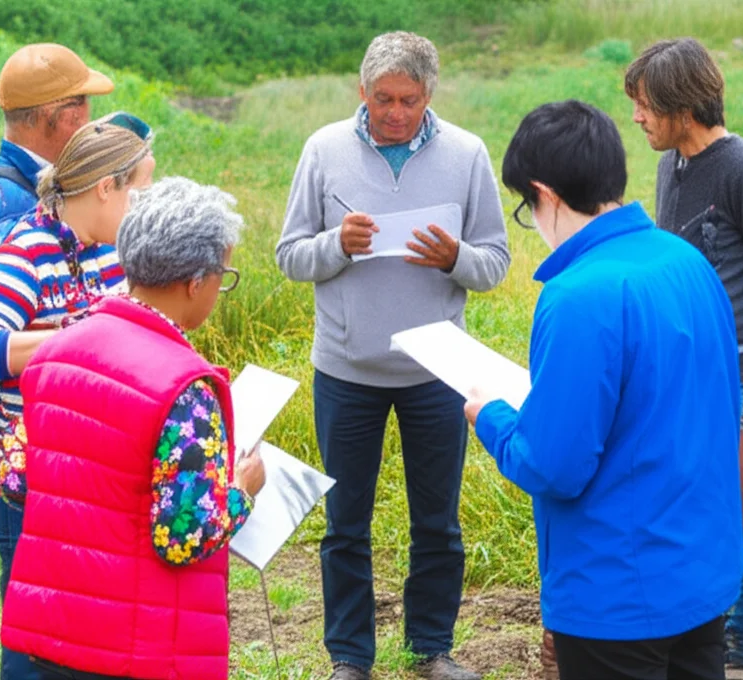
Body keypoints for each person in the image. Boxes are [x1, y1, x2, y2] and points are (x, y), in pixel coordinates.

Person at [465, 99, 743, 680]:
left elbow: (555, 465)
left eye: (526, 207)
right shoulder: (685, 260)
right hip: (702, 570)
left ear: (545, 194)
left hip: (618, 591)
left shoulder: (579, 295)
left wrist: (490, 417)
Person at [276, 31, 509, 680]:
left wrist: (454, 258)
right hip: (346, 369)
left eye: (408, 99)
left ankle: (431, 647)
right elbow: (290, 254)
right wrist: (335, 245)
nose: (395, 112)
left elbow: (494, 262)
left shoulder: (466, 155)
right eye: (383, 99)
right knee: (345, 523)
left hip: (438, 371)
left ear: (429, 95)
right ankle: (350, 657)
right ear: (362, 91)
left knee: (437, 520)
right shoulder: (324, 150)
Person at [0, 176, 266, 680]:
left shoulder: (52, 353)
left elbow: (16, 475)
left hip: (54, 633)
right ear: (196, 281)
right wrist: (241, 490)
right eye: (222, 276)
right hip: (139, 646)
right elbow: (184, 536)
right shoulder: (185, 387)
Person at [0, 113, 154, 680]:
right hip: (25, 486)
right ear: (106, 188)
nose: (146, 203)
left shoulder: (105, 250)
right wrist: (65, 342)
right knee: (32, 651)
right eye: (141, 190)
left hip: (79, 480)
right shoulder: (28, 248)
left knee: (77, 641)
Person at [624, 38, 743, 678]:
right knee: (701, 514)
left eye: (646, 106)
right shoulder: (671, 164)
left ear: (682, 103)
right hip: (688, 379)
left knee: (733, 518)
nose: (639, 118)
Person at [0, 42, 114, 307]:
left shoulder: (8, 193)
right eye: (82, 103)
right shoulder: (16, 211)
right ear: (61, 115)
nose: (87, 122)